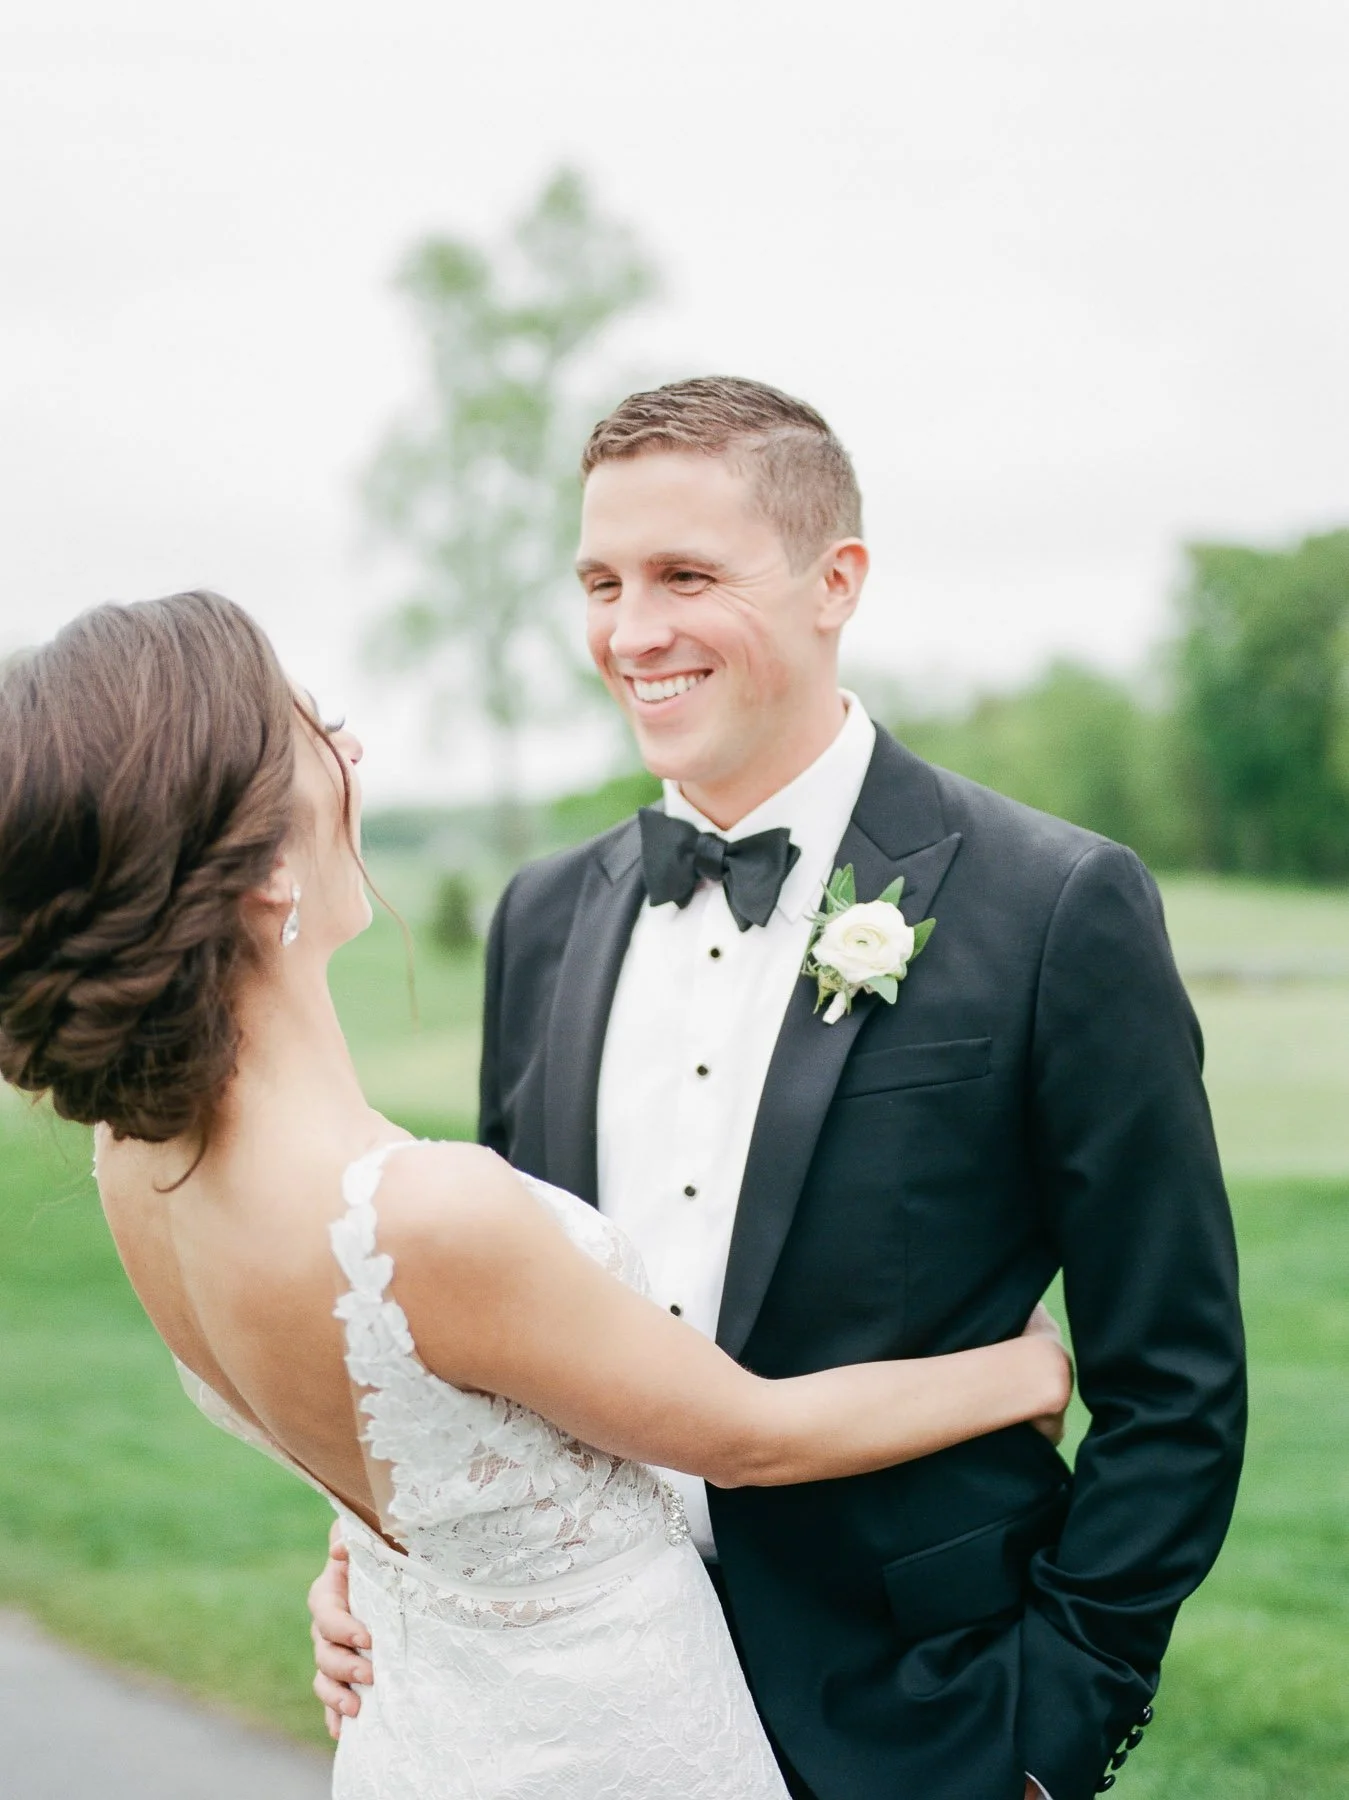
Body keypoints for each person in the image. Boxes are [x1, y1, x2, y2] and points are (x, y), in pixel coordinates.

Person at [306, 377, 1247, 1800]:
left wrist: (1050, 1725)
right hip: (571, 1710)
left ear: (835, 583)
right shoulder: (542, 918)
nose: (632, 632)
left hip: (919, 1714)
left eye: (686, 577)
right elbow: (487, 1331)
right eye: (602, 583)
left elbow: (1174, 1382)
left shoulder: (1056, 906)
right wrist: (368, 1558)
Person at [0, 589, 1074, 1800]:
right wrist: (1025, 1373)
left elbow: (375, 1436)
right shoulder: (420, 1214)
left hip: (423, 1738)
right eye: (321, 732)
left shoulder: (136, 1169)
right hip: (608, 1750)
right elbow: (747, 1437)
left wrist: (360, 1552)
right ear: (263, 867)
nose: (354, 751)